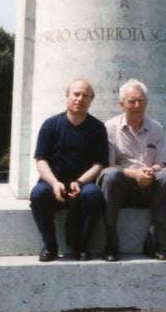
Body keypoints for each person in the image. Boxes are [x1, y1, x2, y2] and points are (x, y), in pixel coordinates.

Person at [30, 77, 108, 262]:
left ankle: (81, 246)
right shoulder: (50, 125)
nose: (80, 99)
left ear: (91, 100)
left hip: (83, 183)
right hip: (53, 182)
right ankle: (50, 246)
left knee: (94, 195)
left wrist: (80, 182)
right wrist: (54, 183)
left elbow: (99, 163)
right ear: (67, 97)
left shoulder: (98, 128)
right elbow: (41, 160)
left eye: (85, 96)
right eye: (76, 94)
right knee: (38, 194)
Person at [99, 79, 166, 261]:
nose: (137, 105)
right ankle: (111, 241)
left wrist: (150, 171)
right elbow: (108, 164)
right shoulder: (109, 128)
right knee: (109, 175)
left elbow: (161, 163)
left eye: (141, 101)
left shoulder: (156, 128)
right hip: (123, 182)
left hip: (149, 181)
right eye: (132, 101)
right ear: (122, 104)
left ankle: (154, 239)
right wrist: (133, 173)